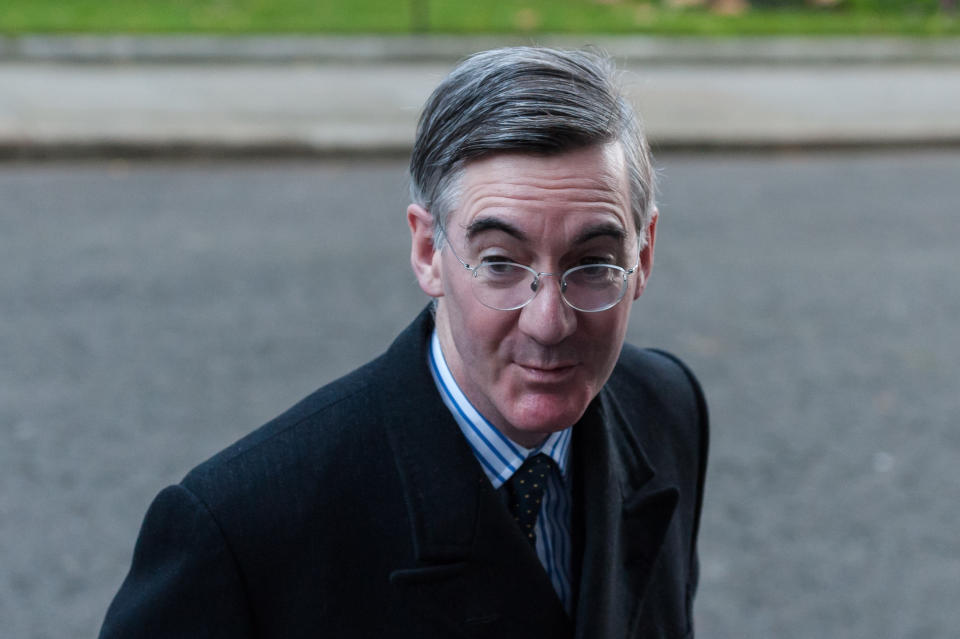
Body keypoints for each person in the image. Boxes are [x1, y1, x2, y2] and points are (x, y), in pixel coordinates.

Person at [100, 46, 708, 638]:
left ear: (644, 254)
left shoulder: (666, 408)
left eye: (593, 265)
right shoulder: (239, 531)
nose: (548, 323)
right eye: (500, 263)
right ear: (427, 253)